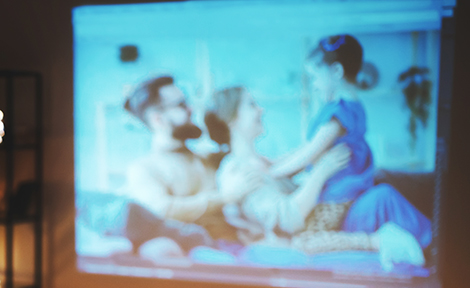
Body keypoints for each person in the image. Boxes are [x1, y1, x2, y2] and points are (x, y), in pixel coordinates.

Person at [206, 86, 426, 269]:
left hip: (321, 223)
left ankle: (435, 249)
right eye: (251, 105)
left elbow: (301, 156)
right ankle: (438, 253)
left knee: (382, 194)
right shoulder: (238, 172)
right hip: (306, 238)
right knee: (383, 199)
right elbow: (289, 220)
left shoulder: (262, 162)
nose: (261, 110)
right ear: (231, 120)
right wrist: (322, 171)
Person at [268, 34, 432, 256]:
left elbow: (309, 152)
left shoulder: (340, 114)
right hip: (347, 191)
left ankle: (379, 243)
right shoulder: (351, 107)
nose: (314, 85)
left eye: (315, 77)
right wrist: (273, 162)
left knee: (302, 241)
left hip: (338, 197)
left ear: (336, 72)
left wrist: (272, 173)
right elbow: (305, 148)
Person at [123, 75, 258, 242]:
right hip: (199, 257)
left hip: (238, 248)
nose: (191, 109)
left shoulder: (208, 158)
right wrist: (224, 197)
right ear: (158, 119)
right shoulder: (144, 169)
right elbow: (161, 209)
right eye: (181, 105)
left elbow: (263, 168)